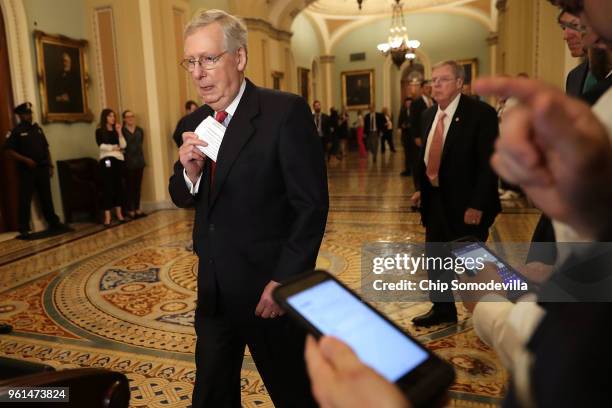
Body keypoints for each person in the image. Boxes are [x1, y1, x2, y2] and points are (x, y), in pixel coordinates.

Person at [168, 9, 328, 407]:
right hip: (215, 290)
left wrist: (284, 280)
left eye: (208, 58)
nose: (198, 72)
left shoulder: (284, 112)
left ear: (238, 58)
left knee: (294, 393)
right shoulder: (192, 122)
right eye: (191, 61)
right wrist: (189, 173)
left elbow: (311, 205)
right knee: (211, 394)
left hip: (267, 291)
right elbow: (181, 194)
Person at [411, 61, 500, 327]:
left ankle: (494, 314)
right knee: (436, 258)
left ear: (460, 83)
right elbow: (426, 157)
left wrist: (477, 204)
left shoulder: (480, 114)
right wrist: (421, 189)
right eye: (433, 79)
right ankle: (442, 309)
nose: (435, 84)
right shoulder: (428, 115)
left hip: (468, 205)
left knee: (472, 264)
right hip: (435, 201)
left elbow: (489, 164)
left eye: (443, 79)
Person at [4, 102, 68, 238]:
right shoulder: (16, 131)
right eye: (27, 114)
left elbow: (46, 148)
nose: (30, 116)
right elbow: (9, 151)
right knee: (25, 199)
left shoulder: (37, 129)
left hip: (42, 168)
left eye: (30, 113)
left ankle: (53, 222)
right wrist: (26, 160)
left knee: (46, 197)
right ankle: (23, 227)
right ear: (21, 116)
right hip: (27, 171)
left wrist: (50, 165)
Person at [96, 108, 126, 227]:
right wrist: (114, 147)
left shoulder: (116, 130)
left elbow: (123, 145)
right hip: (107, 161)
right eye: (110, 116)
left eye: (113, 116)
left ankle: (119, 215)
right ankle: (107, 217)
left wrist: (119, 132)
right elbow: (101, 146)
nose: (113, 118)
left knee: (118, 186)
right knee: (107, 188)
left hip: (118, 160)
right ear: (105, 118)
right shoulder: (99, 131)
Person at [121, 110, 146, 219]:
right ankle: (130, 209)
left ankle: (137, 208)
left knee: (137, 187)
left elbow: (140, 143)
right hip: (128, 163)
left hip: (139, 162)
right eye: (128, 116)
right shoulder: (122, 131)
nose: (130, 118)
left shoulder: (140, 130)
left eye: (132, 116)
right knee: (129, 187)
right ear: (124, 119)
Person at [398, 97, 414, 177]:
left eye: (410, 103)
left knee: (414, 154)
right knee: (407, 154)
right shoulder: (403, 111)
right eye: (407, 103)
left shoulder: (414, 112)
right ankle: (408, 170)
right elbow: (400, 122)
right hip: (406, 136)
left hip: (413, 137)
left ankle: (414, 170)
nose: (408, 105)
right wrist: (402, 126)